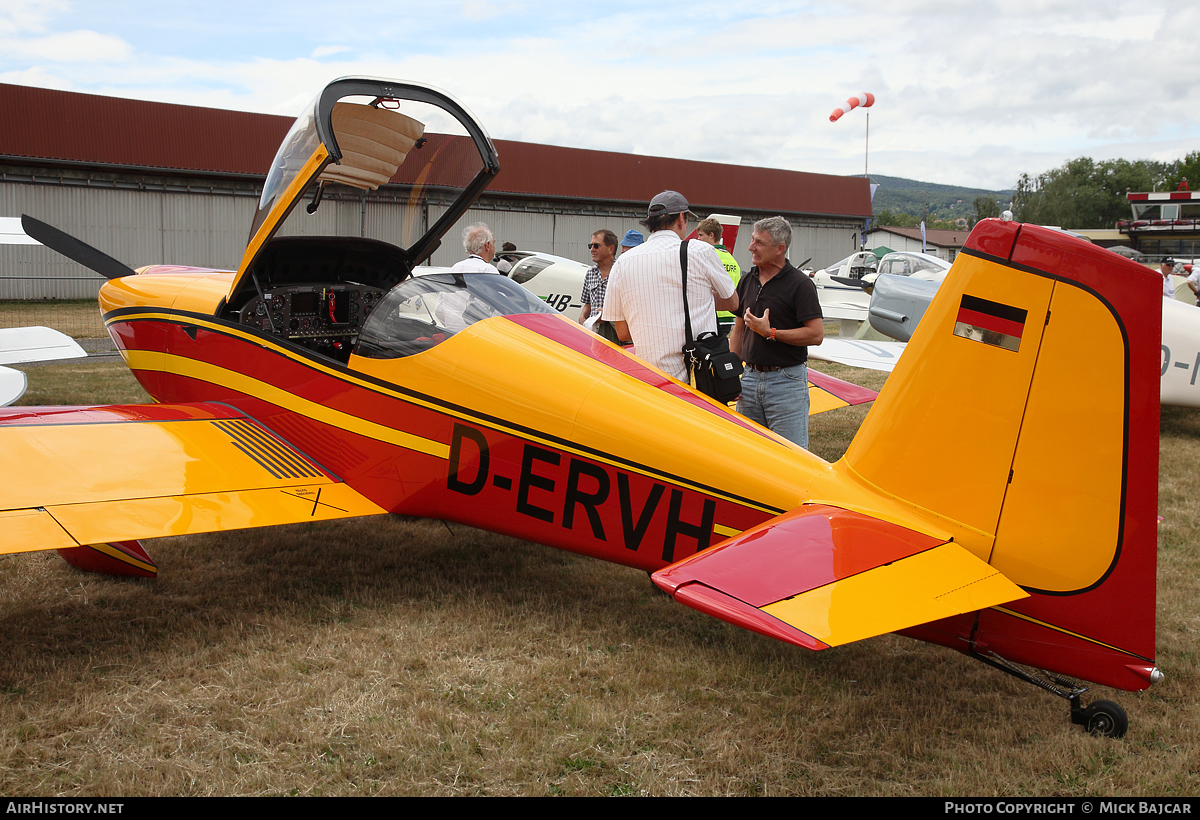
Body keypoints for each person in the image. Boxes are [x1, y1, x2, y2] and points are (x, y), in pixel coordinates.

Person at [601, 191, 738, 382]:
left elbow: (623, 333)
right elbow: (732, 303)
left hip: (650, 381)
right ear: (682, 217)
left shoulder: (623, 262)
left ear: (650, 221)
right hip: (698, 378)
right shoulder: (701, 251)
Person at [728, 216, 824, 449]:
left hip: (786, 382)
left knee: (791, 456)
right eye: (752, 240)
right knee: (750, 454)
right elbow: (738, 330)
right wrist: (731, 376)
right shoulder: (747, 280)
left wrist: (770, 332)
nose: (751, 247)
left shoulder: (800, 285)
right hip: (749, 379)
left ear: (780, 249)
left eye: (759, 243)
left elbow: (816, 334)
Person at [696, 217, 742, 336]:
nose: (698, 239)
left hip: (712, 315)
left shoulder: (707, 256)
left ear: (711, 235)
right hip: (729, 316)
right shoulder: (731, 259)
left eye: (701, 235)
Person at [579, 229, 621, 342]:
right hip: (593, 335)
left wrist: (608, 314)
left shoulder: (622, 271)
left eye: (596, 246)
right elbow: (587, 303)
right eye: (590, 245)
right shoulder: (590, 273)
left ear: (610, 249)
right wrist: (582, 317)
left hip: (615, 335)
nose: (592, 249)